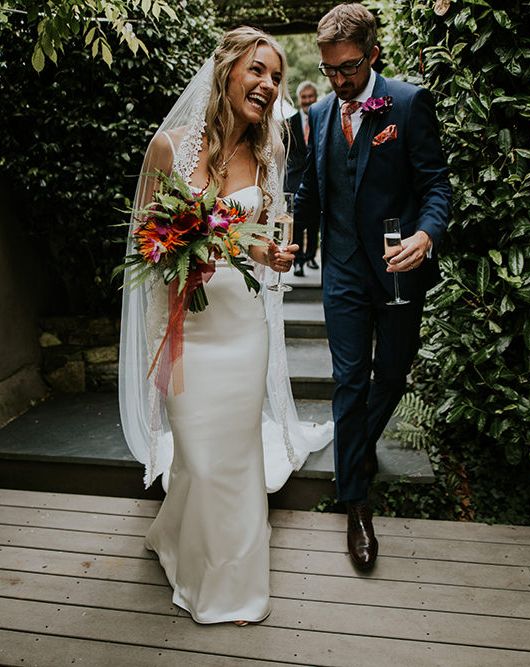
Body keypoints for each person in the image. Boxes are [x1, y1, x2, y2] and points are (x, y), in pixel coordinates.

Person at [118, 27, 333, 625]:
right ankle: (180, 542)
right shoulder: (170, 148)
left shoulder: (270, 154)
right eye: (257, 71)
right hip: (193, 326)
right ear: (226, 72)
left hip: (243, 327)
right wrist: (174, 264)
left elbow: (260, 236)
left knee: (232, 459)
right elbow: (144, 242)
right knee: (201, 457)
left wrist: (271, 255)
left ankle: (232, 585)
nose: (268, 84)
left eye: (275, 76)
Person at [295, 4, 451, 571]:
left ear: (374, 54)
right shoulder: (318, 118)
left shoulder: (408, 104)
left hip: (397, 268)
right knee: (347, 378)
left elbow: (436, 186)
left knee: (394, 370)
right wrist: (288, 229)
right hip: (340, 271)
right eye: (330, 69)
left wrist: (426, 236)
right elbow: (313, 188)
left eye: (350, 68)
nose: (339, 81)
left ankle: (354, 450)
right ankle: (355, 503)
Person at [285, 81, 320, 277]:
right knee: (296, 222)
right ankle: (298, 261)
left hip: (316, 181)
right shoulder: (289, 121)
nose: (307, 101)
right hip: (294, 180)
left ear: (315, 98)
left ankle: (310, 256)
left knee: (315, 222)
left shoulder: (321, 118)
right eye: (304, 98)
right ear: (299, 100)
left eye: (310, 97)